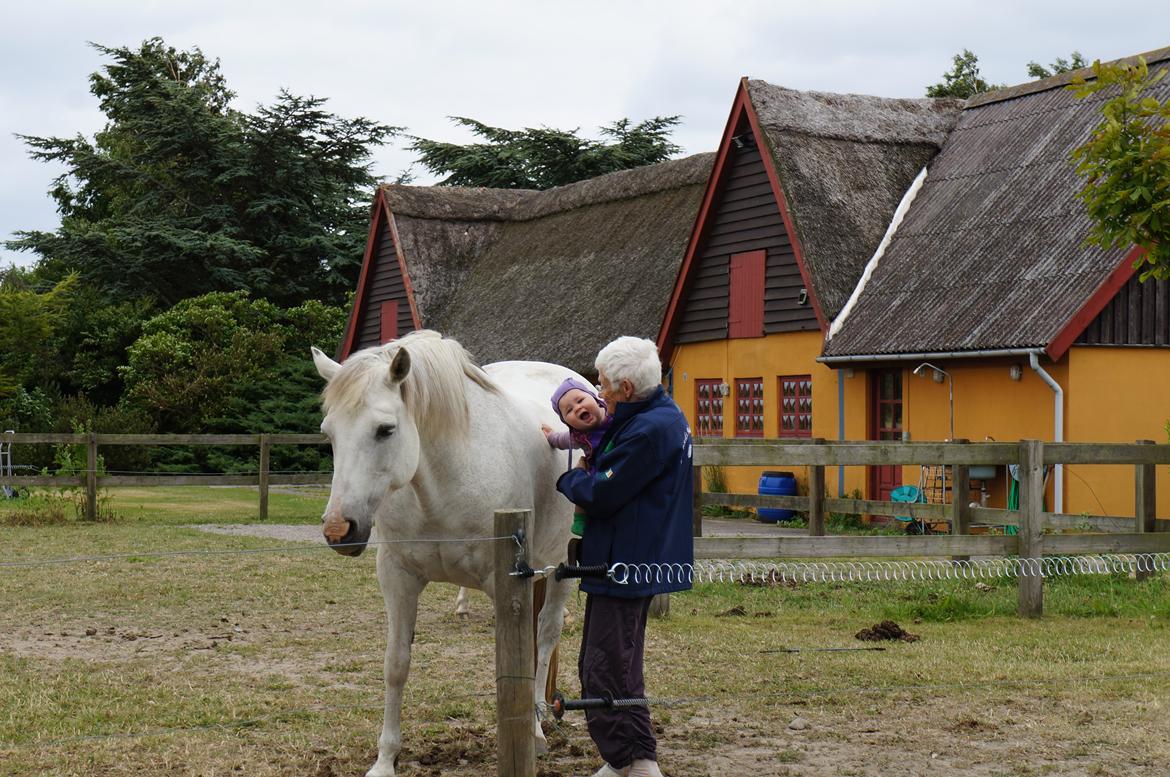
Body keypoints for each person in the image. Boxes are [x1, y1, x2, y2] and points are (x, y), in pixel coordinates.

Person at [555, 336, 694, 777]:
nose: (599, 391)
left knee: (605, 668)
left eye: (603, 383)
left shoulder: (647, 431)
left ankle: (629, 761)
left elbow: (602, 492)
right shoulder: (658, 415)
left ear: (627, 388)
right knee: (617, 666)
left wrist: (570, 480)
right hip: (628, 558)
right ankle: (632, 761)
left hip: (625, 564)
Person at [542, 377, 612, 564]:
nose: (577, 408)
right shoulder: (580, 436)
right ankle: (579, 520)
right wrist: (551, 437)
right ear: (567, 422)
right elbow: (562, 440)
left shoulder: (613, 416)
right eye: (569, 411)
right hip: (595, 473)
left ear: (595, 398)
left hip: (616, 468)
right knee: (582, 489)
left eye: (580, 400)